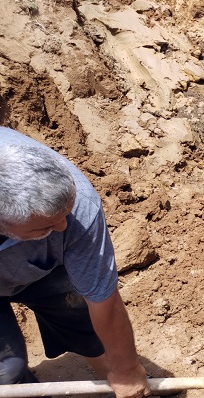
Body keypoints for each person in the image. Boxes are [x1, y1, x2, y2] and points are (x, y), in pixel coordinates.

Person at [0, 127, 150, 398]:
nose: (63, 226)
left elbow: (105, 301)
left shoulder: (79, 206)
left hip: (41, 266)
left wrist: (126, 371)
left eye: (65, 214)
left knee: (86, 325)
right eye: (45, 225)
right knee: (7, 372)